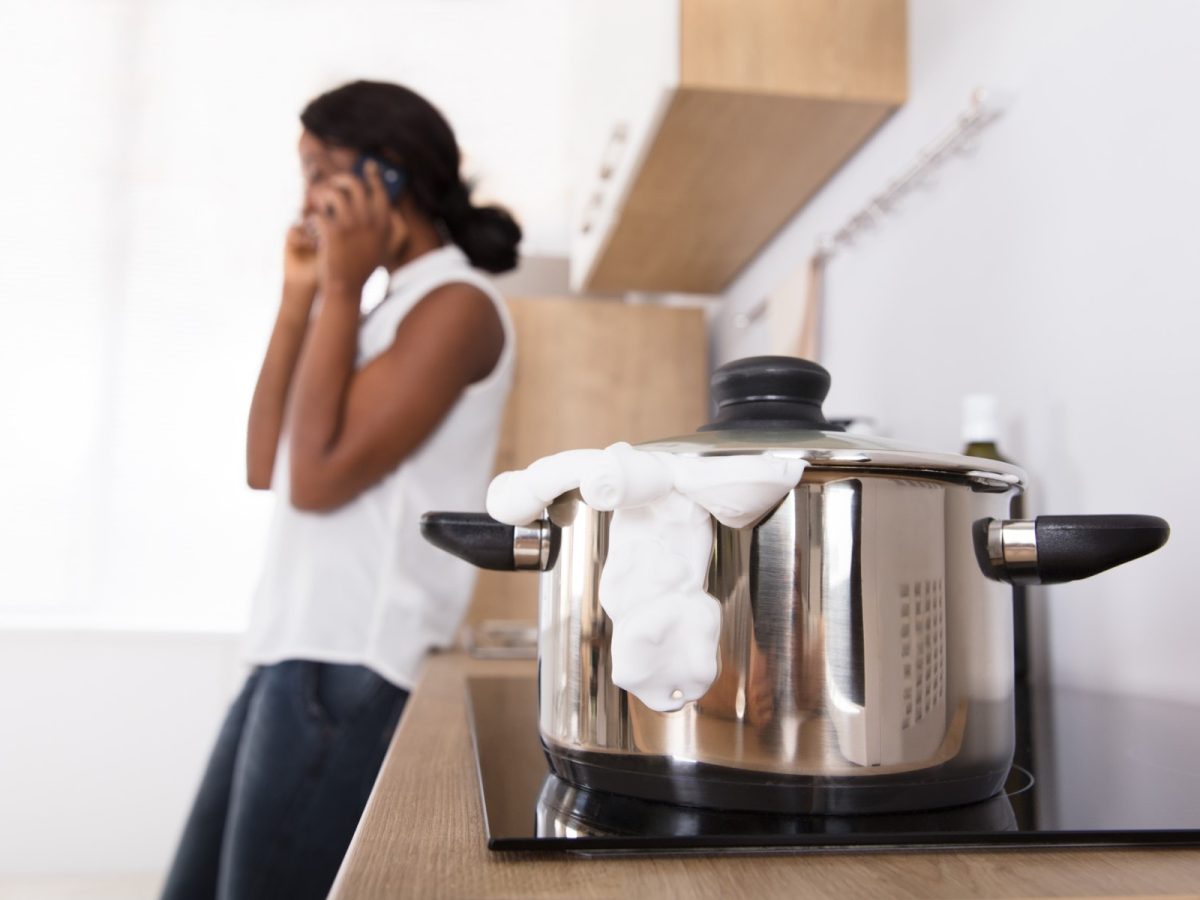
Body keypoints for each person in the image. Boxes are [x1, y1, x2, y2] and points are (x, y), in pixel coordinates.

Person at [161, 80, 521, 900]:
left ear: (388, 174)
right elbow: (269, 467)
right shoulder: (380, 311)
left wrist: (336, 290)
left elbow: (318, 483)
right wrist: (301, 300)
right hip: (291, 650)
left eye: (321, 170)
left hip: (350, 662)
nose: (308, 198)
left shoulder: (458, 305)